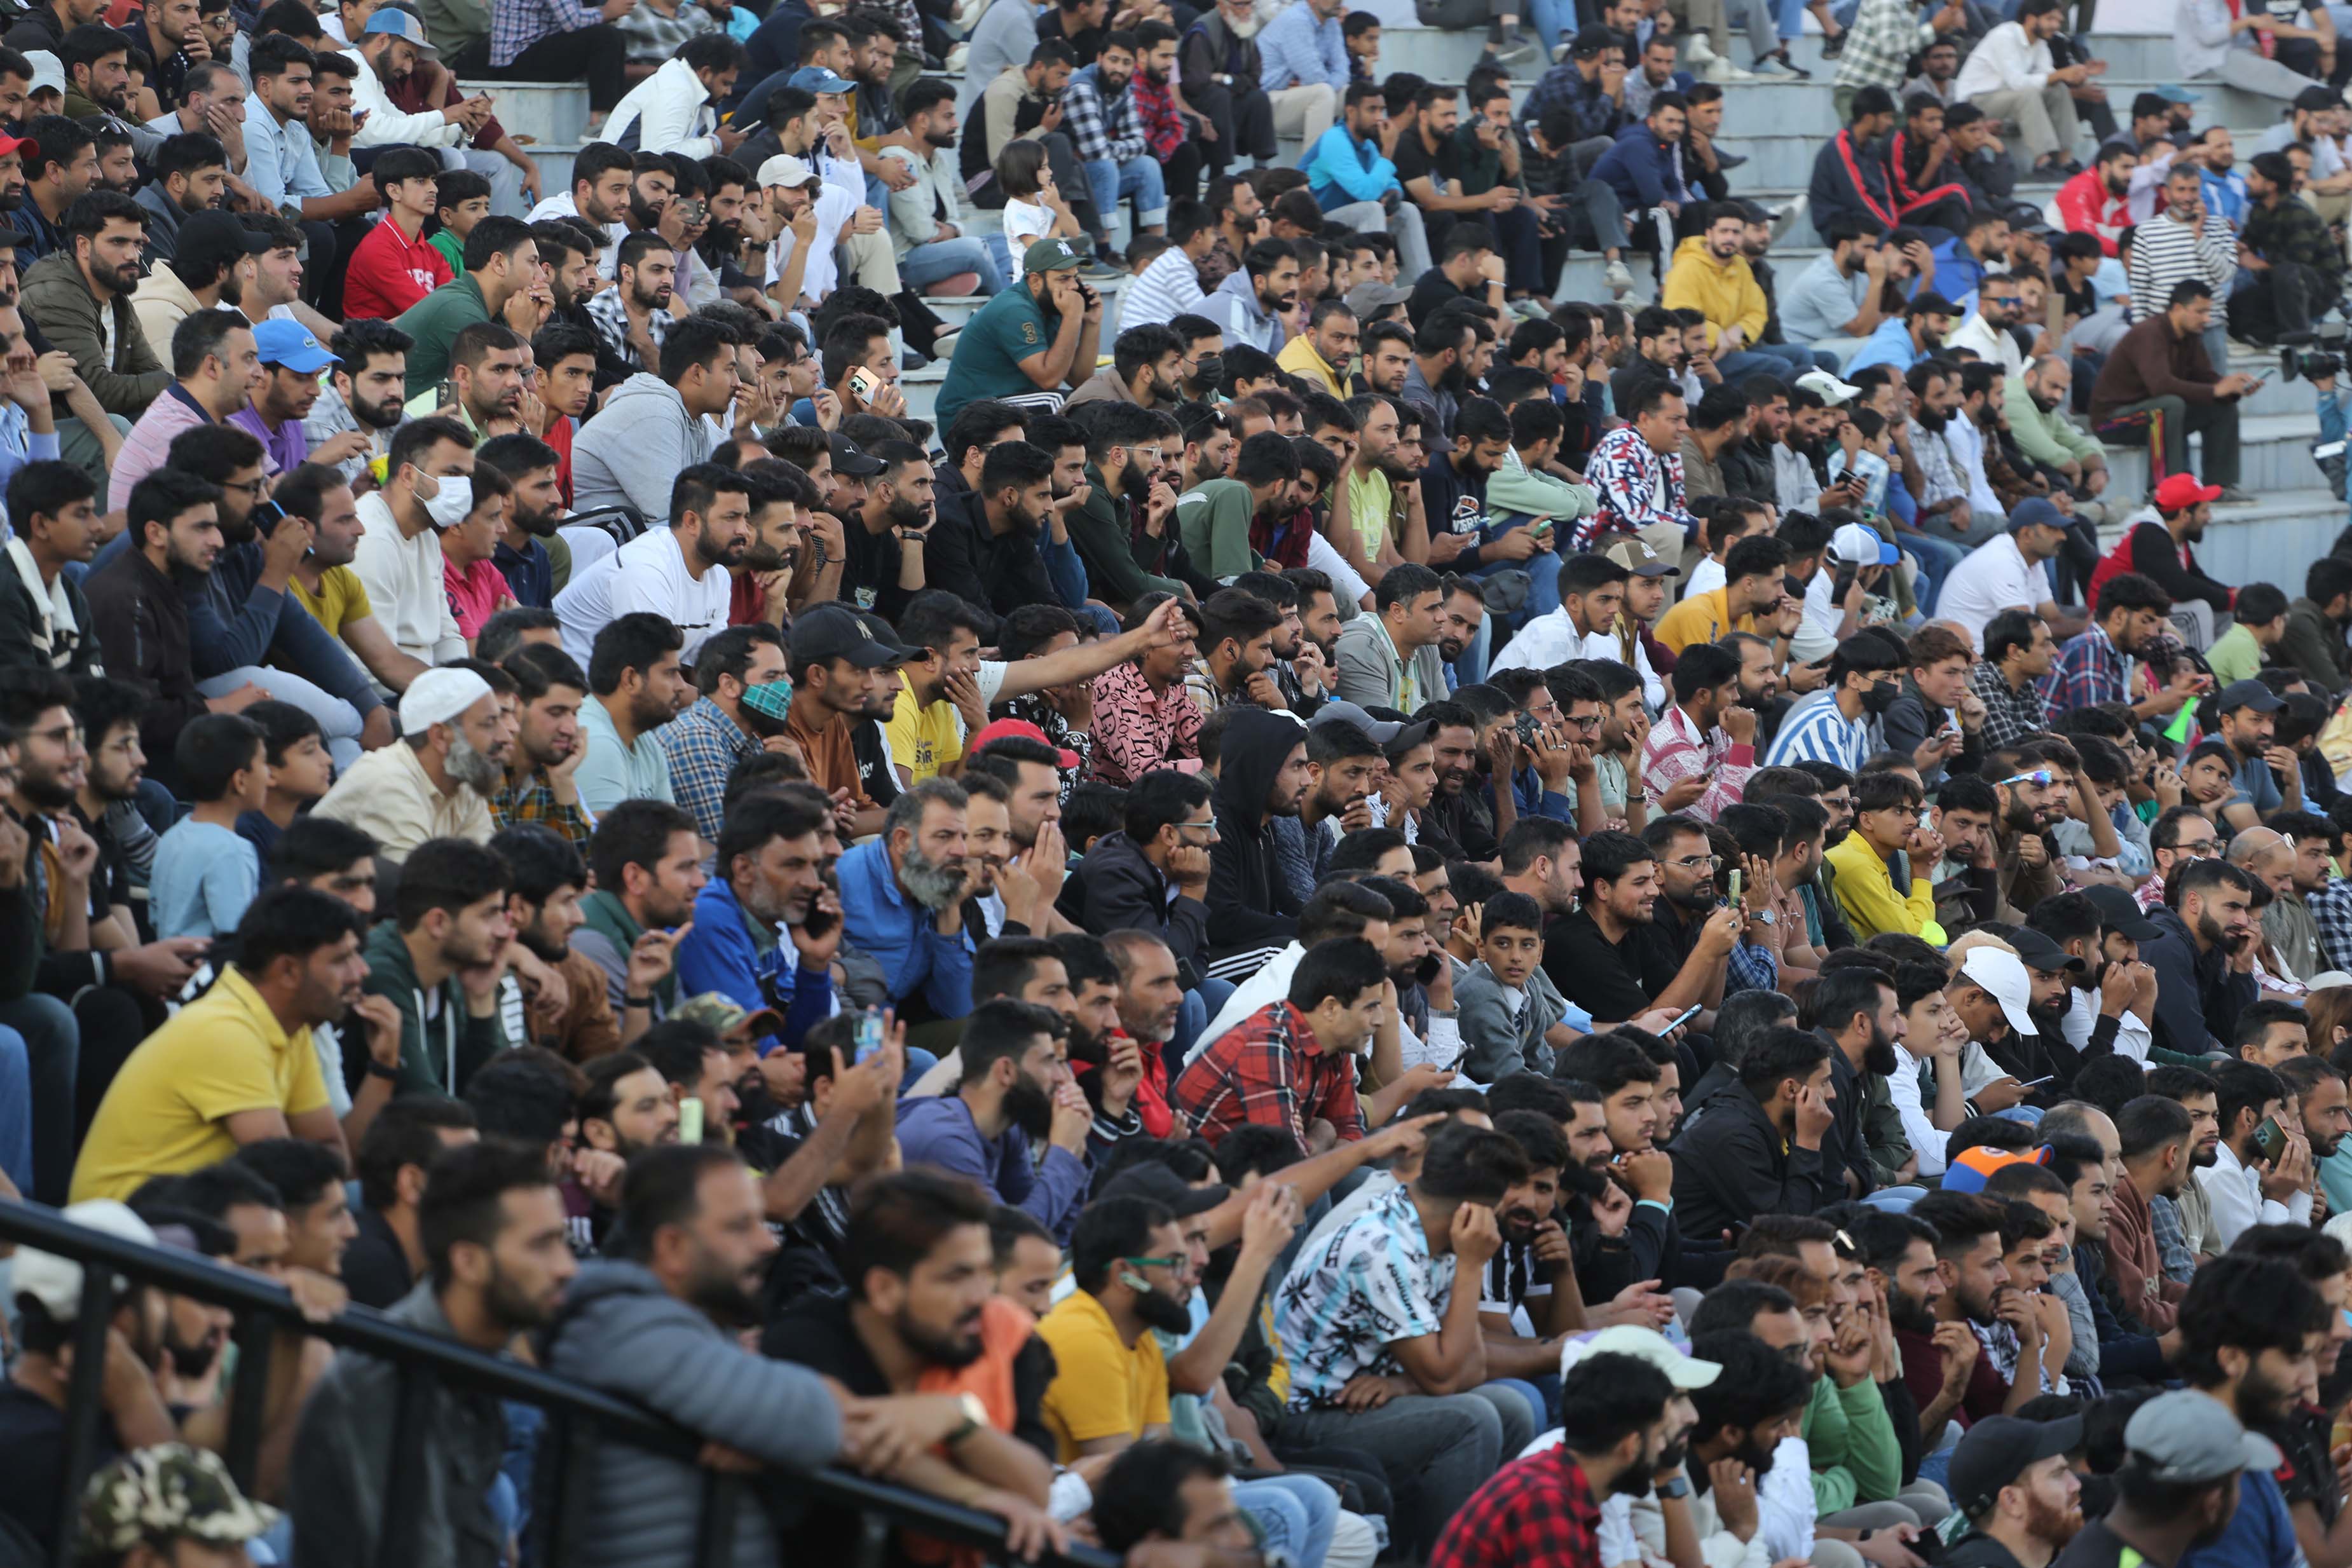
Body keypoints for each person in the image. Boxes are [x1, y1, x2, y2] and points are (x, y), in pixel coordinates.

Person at [540, 1143, 882, 1568]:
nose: (767, 1243)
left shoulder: (688, 1320)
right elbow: (814, 1421)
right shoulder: (619, 1323)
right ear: (673, 1247)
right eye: (741, 1226)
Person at [289, 1136, 573, 1568]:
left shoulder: (471, 1358)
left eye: (563, 1241)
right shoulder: (386, 1380)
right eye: (541, 1245)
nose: (565, 1266)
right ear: (469, 1262)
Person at [69, 883, 377, 1200]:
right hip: (124, 1227)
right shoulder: (226, 1030)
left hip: (193, 1216)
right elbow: (285, 1176)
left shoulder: (291, 1029)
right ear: (288, 971)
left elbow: (331, 1152)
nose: (361, 972)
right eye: (342, 960)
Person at [1426, 1346, 1683, 1568]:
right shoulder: (1545, 1500)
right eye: (1660, 1435)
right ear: (1632, 1445)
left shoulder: (1569, 1486)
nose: (1663, 1447)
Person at [2089, 280, 2258, 505]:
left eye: (2208, 312)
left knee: (2222, 404)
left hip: (2152, 413)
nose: (2207, 319)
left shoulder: (2191, 336)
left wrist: (2234, 387)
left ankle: (2220, 486)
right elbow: (2161, 386)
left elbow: (2206, 378)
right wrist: (2216, 389)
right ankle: (2162, 490)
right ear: (2178, 309)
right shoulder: (2149, 334)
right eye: (2200, 312)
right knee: (2169, 405)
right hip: (2111, 422)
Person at [311, 666, 505, 860]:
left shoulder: (462, 780)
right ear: (440, 736)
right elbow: (419, 885)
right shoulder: (389, 780)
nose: (506, 737)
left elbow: (486, 871)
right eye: (489, 724)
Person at [147, 712, 264, 941]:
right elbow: (238, 939)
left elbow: (155, 915)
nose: (268, 774)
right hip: (209, 972)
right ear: (240, 780)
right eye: (264, 763)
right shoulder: (232, 850)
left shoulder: (173, 836)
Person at [572, 612, 686, 816]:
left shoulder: (645, 740)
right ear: (631, 679)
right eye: (670, 674)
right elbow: (611, 846)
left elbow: (674, 832)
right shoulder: (596, 740)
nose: (681, 687)